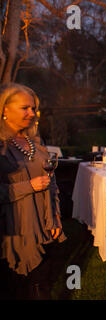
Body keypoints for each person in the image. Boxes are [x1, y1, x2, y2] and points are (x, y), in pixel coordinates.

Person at [0, 83, 66, 299]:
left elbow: (52, 183)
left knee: (41, 285)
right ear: (4, 110)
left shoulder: (36, 143)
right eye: (25, 108)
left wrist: (55, 216)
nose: (32, 113)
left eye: (34, 108)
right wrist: (28, 186)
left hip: (43, 227)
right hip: (13, 231)